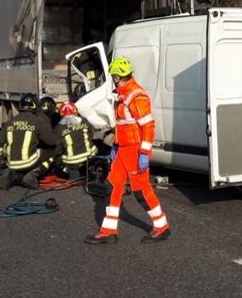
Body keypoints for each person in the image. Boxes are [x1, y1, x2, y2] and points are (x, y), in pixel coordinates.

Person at [85, 57, 171, 244]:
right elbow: (123, 125)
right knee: (112, 186)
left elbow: (148, 127)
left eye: (113, 76)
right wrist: (116, 145)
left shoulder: (136, 96)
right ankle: (108, 231)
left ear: (117, 76)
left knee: (141, 191)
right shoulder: (124, 94)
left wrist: (143, 154)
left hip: (134, 151)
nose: (113, 80)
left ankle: (161, 227)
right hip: (124, 150)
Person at [0, 93, 61, 190]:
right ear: (35, 106)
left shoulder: (10, 122)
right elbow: (51, 141)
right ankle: (34, 174)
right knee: (54, 149)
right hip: (30, 162)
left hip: (11, 163)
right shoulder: (37, 121)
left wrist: (0, 161)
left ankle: (13, 174)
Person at [51, 101, 98, 180]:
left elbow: (58, 148)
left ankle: (70, 172)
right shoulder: (84, 121)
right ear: (75, 111)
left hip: (72, 161)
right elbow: (91, 135)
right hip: (89, 156)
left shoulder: (58, 128)